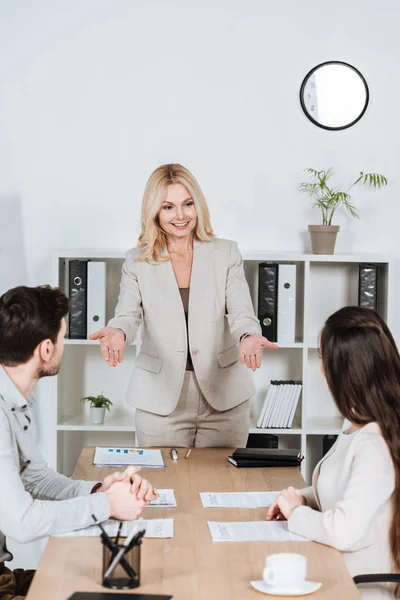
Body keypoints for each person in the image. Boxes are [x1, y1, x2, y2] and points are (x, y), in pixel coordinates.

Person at [90, 163, 277, 447]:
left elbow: (241, 312)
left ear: (198, 205)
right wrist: (117, 331)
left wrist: (249, 336)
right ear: (154, 212)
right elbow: (127, 314)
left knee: (223, 487)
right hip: (161, 398)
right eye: (168, 207)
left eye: (187, 204)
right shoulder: (137, 260)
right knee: (162, 490)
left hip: (223, 394)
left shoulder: (225, 252)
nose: (180, 215)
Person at [0, 285, 157, 600]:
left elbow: (35, 478)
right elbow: (22, 522)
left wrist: (98, 491)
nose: (63, 345)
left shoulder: (14, 401)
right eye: (62, 337)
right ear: (46, 349)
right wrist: (107, 505)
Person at [266, 306, 400, 600]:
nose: (321, 368)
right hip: (331, 566)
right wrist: (302, 497)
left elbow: (344, 531)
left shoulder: (374, 443)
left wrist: (296, 512)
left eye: (322, 358)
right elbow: (345, 486)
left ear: (343, 371)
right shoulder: (357, 423)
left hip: (354, 585)